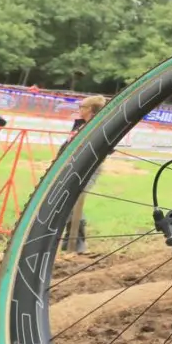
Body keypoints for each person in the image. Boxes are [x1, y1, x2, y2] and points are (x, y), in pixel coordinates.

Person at [57, 95, 106, 254]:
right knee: (67, 201)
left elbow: (104, 147)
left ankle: (77, 244)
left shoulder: (98, 126)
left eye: (82, 107)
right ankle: (70, 243)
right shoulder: (80, 125)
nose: (80, 110)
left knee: (73, 201)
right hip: (69, 167)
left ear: (90, 109)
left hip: (87, 168)